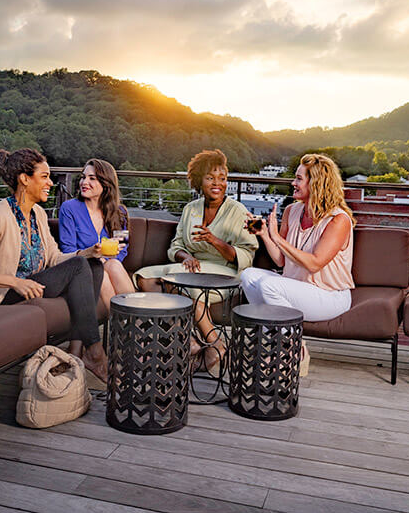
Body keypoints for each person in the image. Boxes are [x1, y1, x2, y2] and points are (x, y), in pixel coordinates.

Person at [0, 148, 109, 383]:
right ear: (24, 179)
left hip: (35, 282)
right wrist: (14, 281)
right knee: (79, 265)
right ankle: (95, 352)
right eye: (44, 176)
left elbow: (54, 258)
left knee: (93, 264)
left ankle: (78, 352)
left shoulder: (37, 213)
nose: (50, 183)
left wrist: (88, 252)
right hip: (6, 295)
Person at [135, 149, 258, 374]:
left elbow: (246, 255)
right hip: (190, 266)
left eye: (222, 178)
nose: (217, 183)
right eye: (210, 177)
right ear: (199, 180)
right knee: (145, 278)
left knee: (179, 284)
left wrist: (214, 241)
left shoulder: (237, 211)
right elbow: (176, 245)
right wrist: (186, 256)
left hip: (225, 272)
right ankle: (191, 339)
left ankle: (213, 345)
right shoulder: (190, 209)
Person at [240, 153, 356, 374]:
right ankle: (282, 341)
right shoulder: (293, 210)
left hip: (329, 295)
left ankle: (290, 347)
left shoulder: (338, 220)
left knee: (268, 286)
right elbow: (281, 259)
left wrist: (278, 238)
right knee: (248, 276)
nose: (293, 183)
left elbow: (314, 264)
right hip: (297, 288)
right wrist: (266, 234)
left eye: (299, 179)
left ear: (317, 183)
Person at [58, 158, 136, 312]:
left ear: (106, 184)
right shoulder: (69, 208)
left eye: (92, 178)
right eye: (83, 177)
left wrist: (105, 260)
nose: (84, 182)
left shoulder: (120, 212)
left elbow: (122, 249)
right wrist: (96, 259)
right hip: (80, 268)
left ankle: (130, 324)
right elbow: (67, 250)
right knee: (101, 273)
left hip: (109, 265)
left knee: (112, 265)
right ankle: (128, 329)